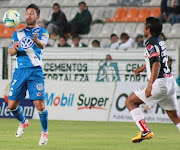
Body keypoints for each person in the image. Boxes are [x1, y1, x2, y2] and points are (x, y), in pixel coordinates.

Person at [125, 17, 180, 143]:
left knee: (130, 102)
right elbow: (155, 59)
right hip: (169, 81)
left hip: (159, 83)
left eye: (144, 25)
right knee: (174, 116)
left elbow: (156, 64)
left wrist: (150, 85)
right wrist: (143, 67)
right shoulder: (159, 41)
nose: (143, 28)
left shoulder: (150, 43)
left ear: (148, 28)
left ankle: (145, 131)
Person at [8, 4, 49, 146]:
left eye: (32, 13)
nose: (29, 15)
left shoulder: (42, 31)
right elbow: (11, 52)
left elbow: (42, 45)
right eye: (27, 13)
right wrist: (14, 48)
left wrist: (37, 41)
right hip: (20, 71)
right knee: (11, 105)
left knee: (40, 106)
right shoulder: (17, 33)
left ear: (37, 16)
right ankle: (23, 122)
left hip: (35, 71)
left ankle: (44, 132)